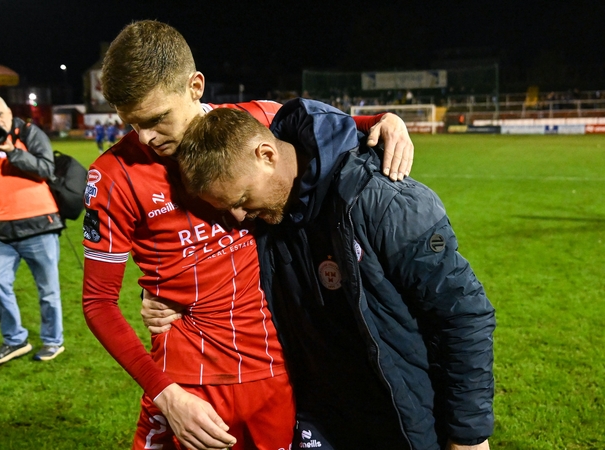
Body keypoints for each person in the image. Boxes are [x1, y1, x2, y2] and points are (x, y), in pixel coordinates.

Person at [82, 20, 415, 450]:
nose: (145, 137)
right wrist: (168, 396)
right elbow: (97, 301)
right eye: (132, 124)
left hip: (277, 369)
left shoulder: (254, 123)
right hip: (188, 382)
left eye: (157, 119)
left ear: (195, 86)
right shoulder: (113, 176)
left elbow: (330, 132)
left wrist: (386, 120)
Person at [173, 99, 495, 450]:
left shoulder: (382, 201)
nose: (238, 217)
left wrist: (468, 435)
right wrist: (167, 299)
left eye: (242, 199)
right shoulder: (267, 218)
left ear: (266, 155)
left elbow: (463, 317)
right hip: (321, 420)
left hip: (402, 422)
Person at [0, 94, 65, 365]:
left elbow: (46, 168)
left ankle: (53, 341)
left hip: (39, 225)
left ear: (9, 112)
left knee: (48, 291)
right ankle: (15, 340)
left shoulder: (30, 133)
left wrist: (11, 151)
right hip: (4, 230)